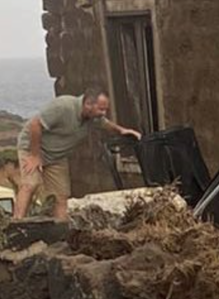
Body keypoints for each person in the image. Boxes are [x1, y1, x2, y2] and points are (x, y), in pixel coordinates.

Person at [14, 88, 141, 220]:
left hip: (57, 156)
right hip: (33, 148)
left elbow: (106, 124)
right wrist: (35, 155)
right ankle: (16, 223)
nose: (104, 113)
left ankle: (60, 230)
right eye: (101, 109)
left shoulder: (93, 118)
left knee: (61, 195)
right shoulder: (62, 106)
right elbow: (35, 125)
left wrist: (122, 130)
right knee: (30, 184)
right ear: (88, 104)